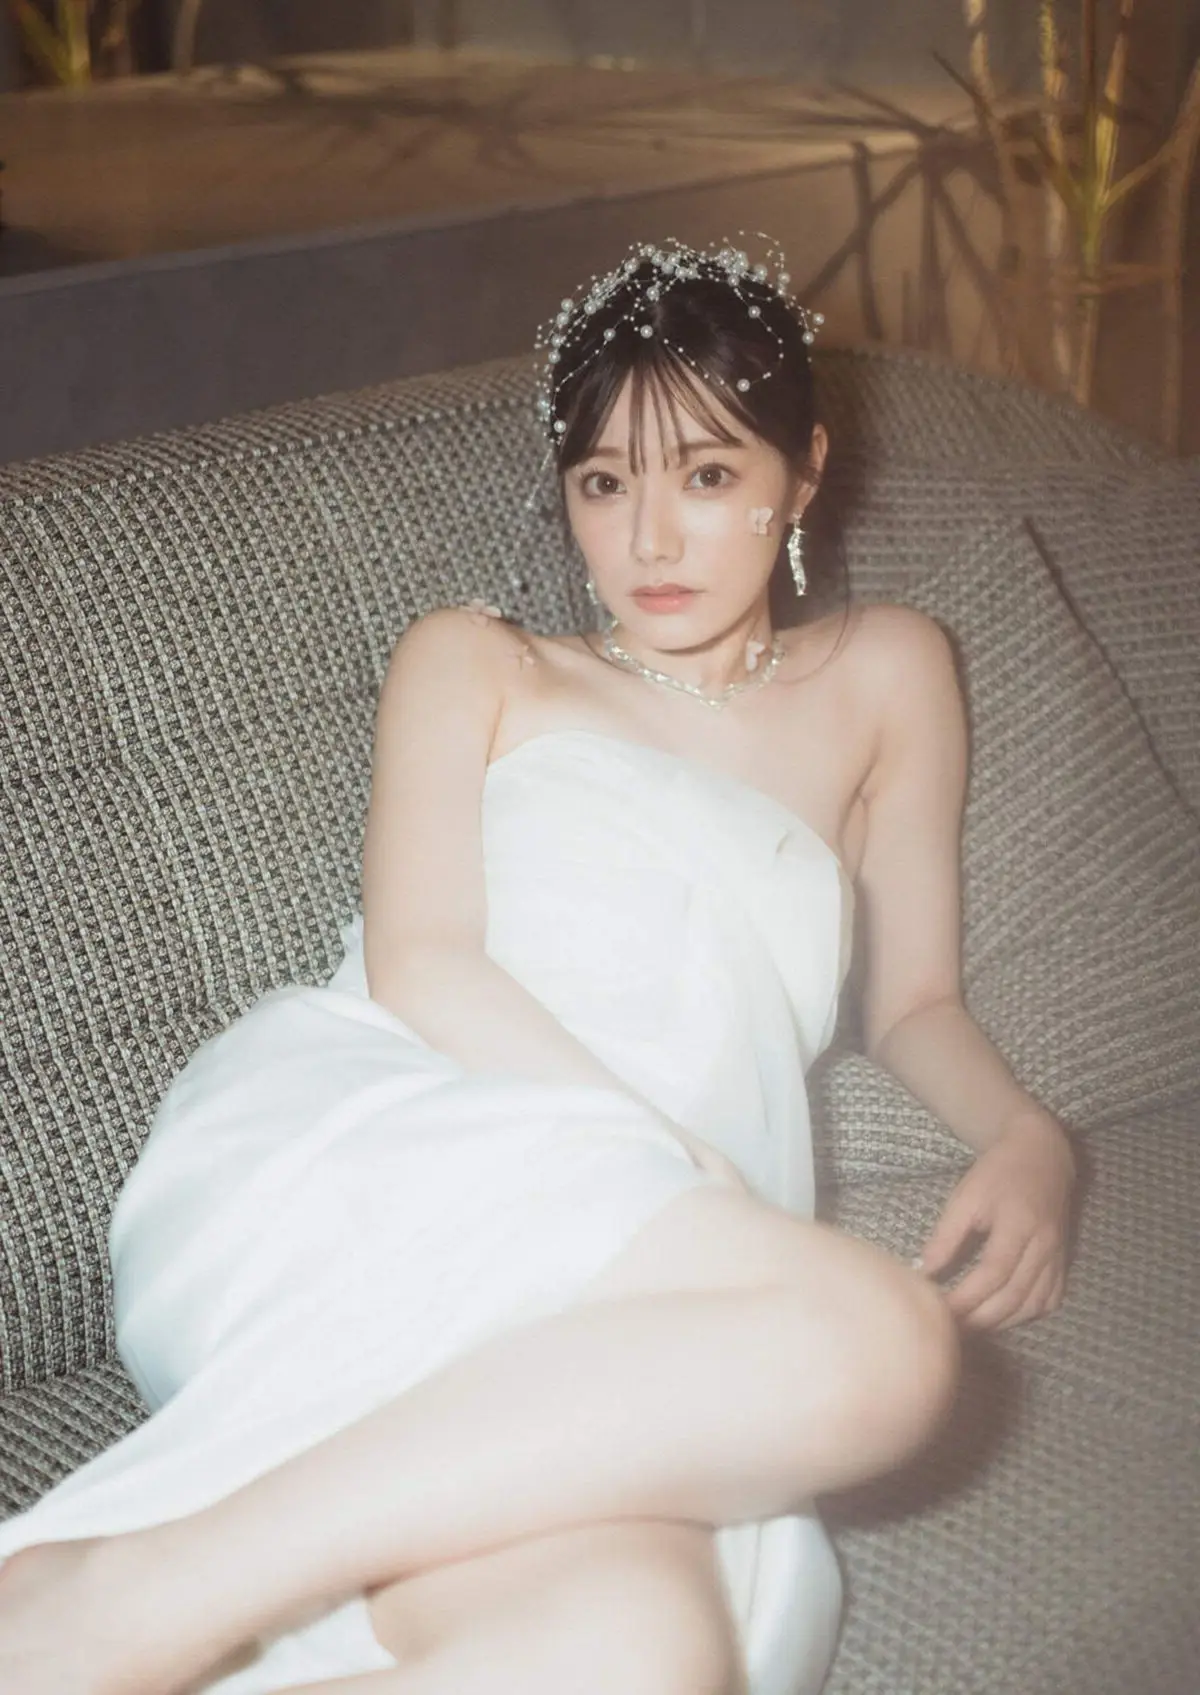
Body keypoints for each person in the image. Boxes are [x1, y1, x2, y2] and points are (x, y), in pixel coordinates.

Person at [0, 236, 1077, 1695]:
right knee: (878, 1345)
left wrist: (1027, 1137)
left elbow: (914, 1000)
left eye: (708, 475)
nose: (650, 541)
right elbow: (426, 963)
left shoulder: (891, 670)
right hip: (406, 1133)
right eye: (604, 483)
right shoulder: (477, 659)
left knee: (641, 1657)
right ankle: (120, 1600)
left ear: (805, 471)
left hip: (645, 1253)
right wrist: (664, 1159)